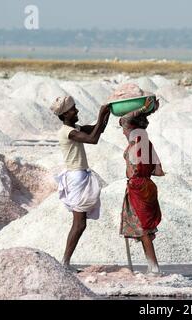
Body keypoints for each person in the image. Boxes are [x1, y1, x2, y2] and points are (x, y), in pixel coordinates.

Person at [50, 96, 110, 271]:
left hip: (80, 175)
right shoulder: (67, 132)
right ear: (65, 114)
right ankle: (65, 263)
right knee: (79, 223)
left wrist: (107, 114)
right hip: (76, 177)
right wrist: (100, 114)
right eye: (73, 109)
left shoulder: (74, 128)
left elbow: (99, 130)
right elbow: (93, 139)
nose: (77, 111)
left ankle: (66, 262)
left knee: (80, 222)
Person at [119, 97, 165, 274]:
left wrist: (143, 109)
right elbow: (159, 170)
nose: (123, 131)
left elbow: (125, 119)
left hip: (138, 188)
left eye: (124, 128)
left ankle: (154, 268)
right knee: (144, 229)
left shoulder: (137, 144)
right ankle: (151, 266)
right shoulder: (147, 144)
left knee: (144, 230)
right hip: (147, 186)